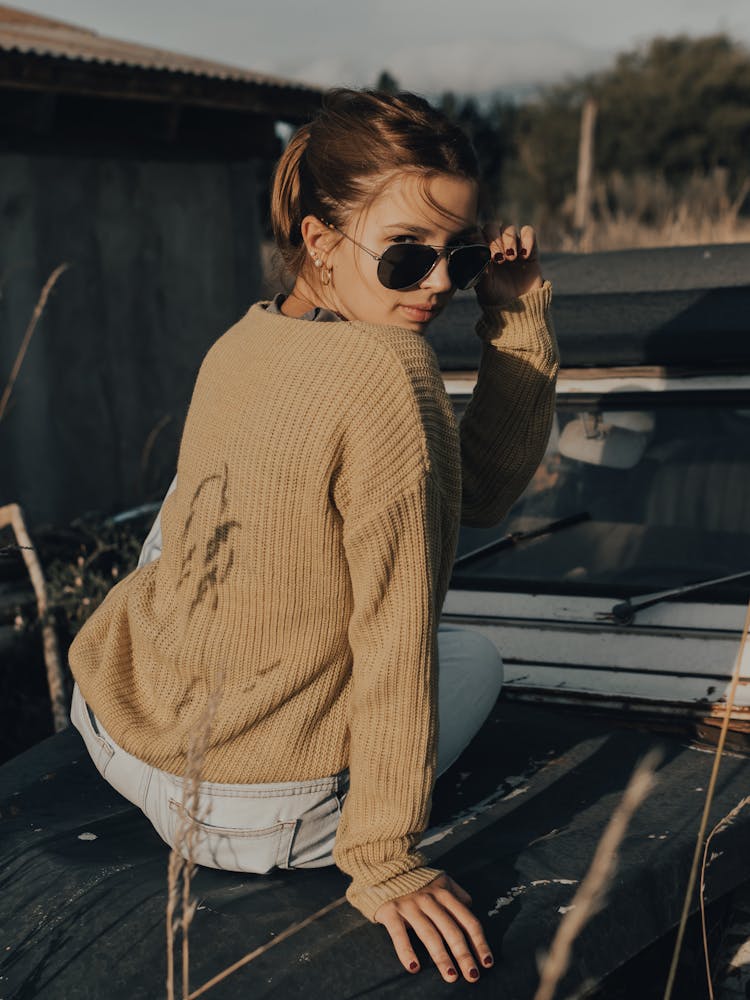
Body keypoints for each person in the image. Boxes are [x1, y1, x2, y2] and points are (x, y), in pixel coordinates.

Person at [68, 87, 559, 985]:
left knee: (186, 520)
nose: (444, 283)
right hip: (258, 821)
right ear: (322, 241)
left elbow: (455, 495)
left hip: (116, 731)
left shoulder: (239, 338)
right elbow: (410, 608)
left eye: (462, 255)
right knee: (472, 654)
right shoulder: (389, 374)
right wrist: (384, 859)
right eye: (409, 257)